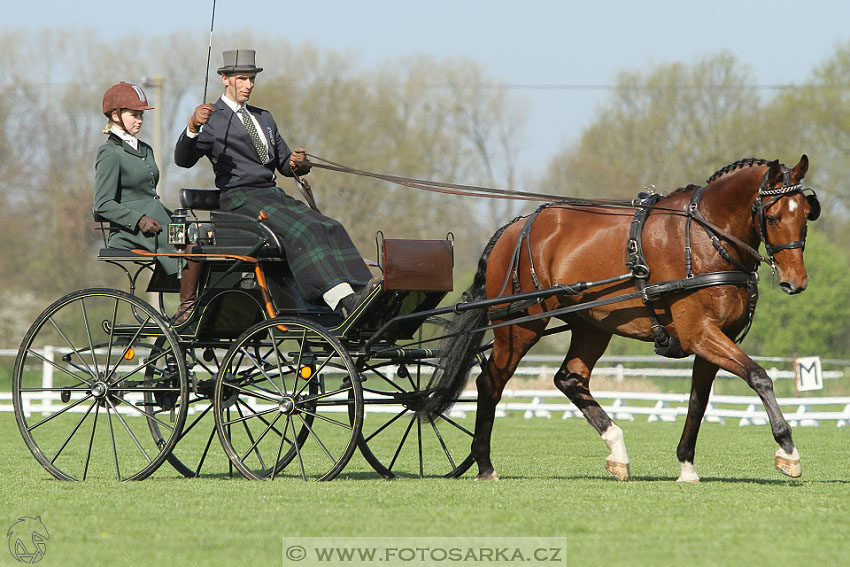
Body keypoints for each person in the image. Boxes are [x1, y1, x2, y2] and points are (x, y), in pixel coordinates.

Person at [174, 49, 372, 315]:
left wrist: (296, 163)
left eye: (252, 79)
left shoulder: (263, 117)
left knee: (329, 225)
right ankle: (342, 300)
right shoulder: (211, 118)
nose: (249, 85)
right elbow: (183, 160)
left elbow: (283, 163)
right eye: (242, 79)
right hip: (239, 197)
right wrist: (193, 127)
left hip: (271, 195)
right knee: (306, 231)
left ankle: (363, 290)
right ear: (225, 79)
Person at [94, 81, 202, 323]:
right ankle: (187, 309)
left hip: (158, 219)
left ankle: (200, 305)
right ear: (115, 115)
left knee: (201, 239)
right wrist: (138, 220)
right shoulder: (110, 153)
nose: (140, 120)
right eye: (134, 114)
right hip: (131, 230)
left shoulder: (145, 149)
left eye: (141, 114)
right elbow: (102, 204)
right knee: (191, 246)